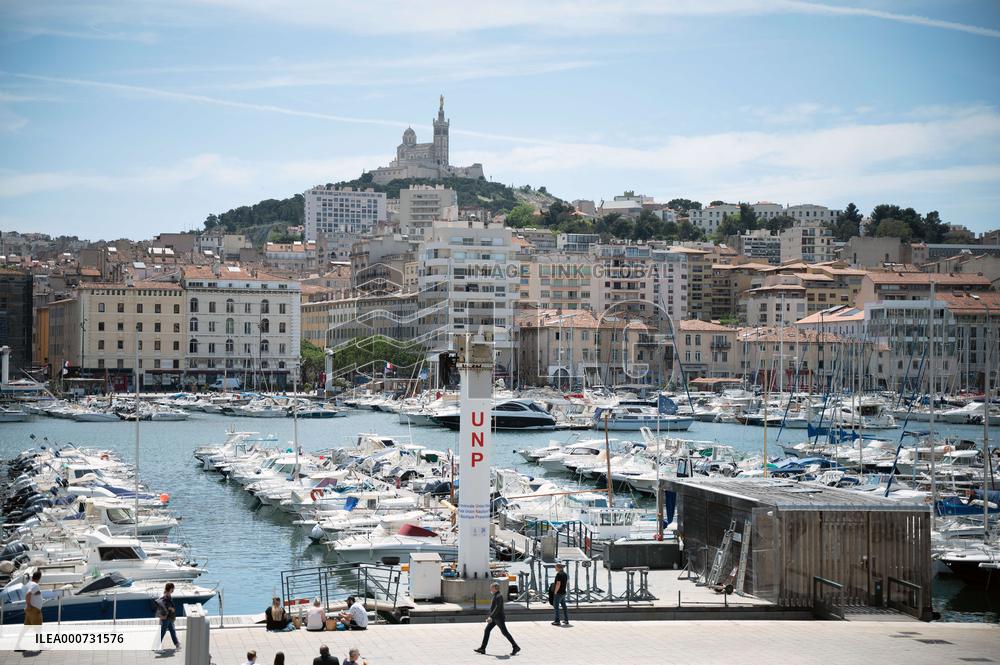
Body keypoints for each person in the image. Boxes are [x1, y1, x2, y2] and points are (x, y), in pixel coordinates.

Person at [474, 582, 520, 656]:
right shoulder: (496, 595)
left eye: (491, 588)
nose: (490, 589)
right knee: (487, 630)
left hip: (499, 618)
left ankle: (515, 647)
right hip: (495, 618)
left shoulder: (499, 596)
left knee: (505, 632)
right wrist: (491, 616)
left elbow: (497, 608)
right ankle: (482, 648)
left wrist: (491, 617)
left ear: (495, 588)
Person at [155, 582, 181, 650]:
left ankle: (177, 644)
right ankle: (156, 646)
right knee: (163, 632)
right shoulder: (166, 596)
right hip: (166, 618)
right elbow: (165, 605)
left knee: (172, 631)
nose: (173, 590)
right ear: (171, 588)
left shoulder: (167, 595)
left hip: (169, 617)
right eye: (173, 588)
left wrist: (172, 613)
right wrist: (171, 608)